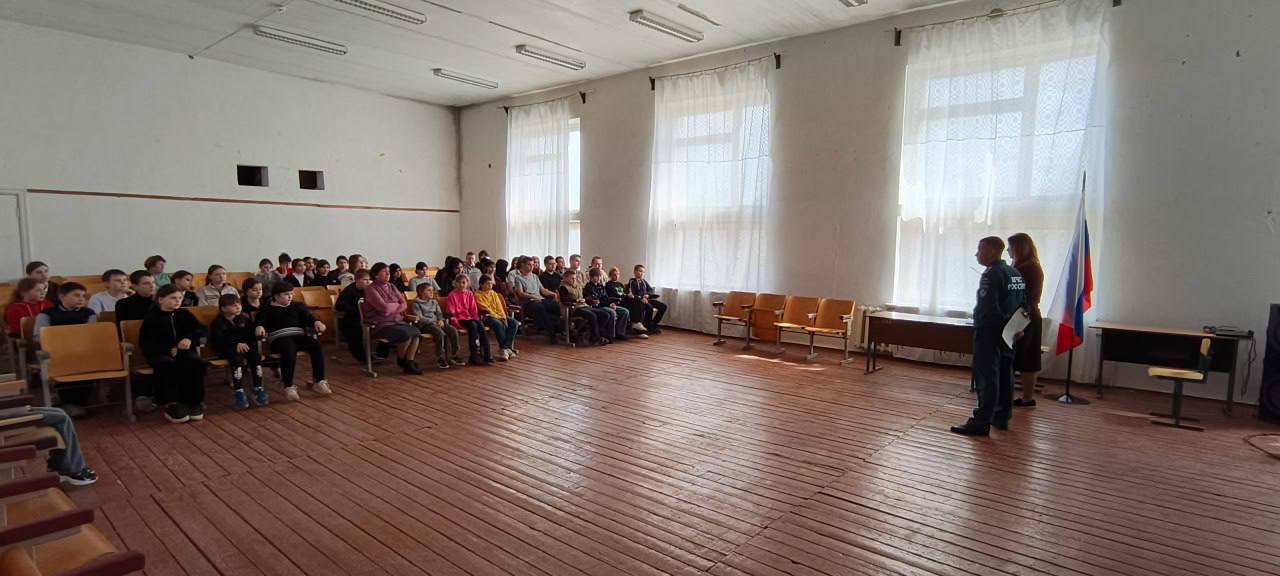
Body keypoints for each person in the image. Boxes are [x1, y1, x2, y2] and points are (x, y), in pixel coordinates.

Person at [951, 236, 1026, 437]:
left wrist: (1002, 327)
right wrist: (1016, 328)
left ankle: (981, 421)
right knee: (1005, 375)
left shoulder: (992, 274)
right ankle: (1001, 417)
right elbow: (1023, 304)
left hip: (990, 334)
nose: (977, 254)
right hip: (1009, 334)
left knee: (987, 378)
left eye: (980, 249)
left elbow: (990, 308)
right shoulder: (1015, 272)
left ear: (992, 251)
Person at [141, 284, 207, 423]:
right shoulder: (152, 317)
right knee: (167, 364)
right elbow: (147, 342)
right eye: (173, 298)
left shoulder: (184, 314)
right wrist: (168, 349)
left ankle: (194, 401)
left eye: (179, 298)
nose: (177, 301)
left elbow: (201, 329)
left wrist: (189, 339)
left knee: (194, 362)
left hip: (183, 351)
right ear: (161, 300)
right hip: (160, 353)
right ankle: (171, 403)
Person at [255, 282, 330, 400]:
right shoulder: (267, 308)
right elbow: (260, 322)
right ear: (276, 296)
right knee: (289, 349)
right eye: (286, 294)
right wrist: (259, 327)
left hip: (298, 336)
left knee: (316, 345)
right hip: (279, 338)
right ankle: (288, 386)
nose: (290, 296)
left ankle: (319, 381)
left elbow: (308, 318)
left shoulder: (297, 306)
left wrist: (316, 322)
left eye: (291, 294)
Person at [0, 403, 96, 485]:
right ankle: (74, 471)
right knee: (62, 418)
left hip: (6, 409)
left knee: (60, 411)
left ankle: (60, 466)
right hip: (4, 415)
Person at [362, 263, 424, 374]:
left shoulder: (391, 286)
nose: (388, 274)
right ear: (376, 275)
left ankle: (409, 361)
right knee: (405, 335)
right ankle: (402, 359)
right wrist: (397, 305)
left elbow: (404, 303)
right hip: (381, 325)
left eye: (388, 272)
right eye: (384, 272)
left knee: (416, 333)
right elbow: (384, 308)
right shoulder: (371, 289)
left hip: (396, 321)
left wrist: (393, 307)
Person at [210, 294, 267, 409]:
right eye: (233, 305)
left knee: (255, 356)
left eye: (239, 304)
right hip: (227, 349)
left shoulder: (244, 319)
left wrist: (257, 331)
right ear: (223, 308)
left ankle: (258, 388)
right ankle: (239, 390)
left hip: (244, 347)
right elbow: (219, 340)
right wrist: (235, 344)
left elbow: (250, 335)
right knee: (237, 360)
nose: (238, 307)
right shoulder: (217, 322)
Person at [1008, 233, 1045, 408]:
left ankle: (1026, 397)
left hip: (1023, 316)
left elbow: (1016, 295)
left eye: (1010, 247)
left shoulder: (1025, 269)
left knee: (1025, 359)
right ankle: (1027, 397)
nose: (1008, 251)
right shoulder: (1031, 266)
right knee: (1027, 358)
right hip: (1029, 315)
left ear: (1018, 248)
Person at [511, 256, 561, 342]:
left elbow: (543, 290)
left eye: (532, 265)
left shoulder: (535, 276)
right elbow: (521, 293)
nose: (531, 267)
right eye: (529, 265)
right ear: (523, 265)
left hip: (540, 299)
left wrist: (554, 294)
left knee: (555, 306)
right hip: (528, 302)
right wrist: (533, 297)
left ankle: (559, 329)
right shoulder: (518, 278)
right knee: (540, 308)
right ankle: (551, 333)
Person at [412, 283, 461, 368]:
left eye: (432, 290)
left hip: (437, 322)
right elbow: (420, 318)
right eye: (429, 290)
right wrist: (433, 321)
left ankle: (454, 354)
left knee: (452, 330)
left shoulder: (434, 302)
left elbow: (439, 314)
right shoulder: (416, 303)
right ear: (421, 292)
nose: (432, 292)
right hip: (425, 325)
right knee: (440, 333)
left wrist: (441, 320)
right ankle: (440, 357)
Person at [447, 275, 491, 365]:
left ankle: (487, 353)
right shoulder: (452, 295)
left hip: (469, 318)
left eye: (464, 282)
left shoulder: (470, 294)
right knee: (473, 326)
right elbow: (451, 312)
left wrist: (476, 319)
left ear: (467, 284)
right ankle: (474, 355)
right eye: (459, 282)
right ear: (455, 284)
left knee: (480, 324)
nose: (461, 285)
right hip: (459, 319)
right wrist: (456, 323)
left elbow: (473, 309)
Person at [559, 270, 611, 345]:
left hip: (584, 306)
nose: (574, 280)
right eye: (572, 278)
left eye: (575, 278)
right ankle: (595, 338)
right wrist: (576, 300)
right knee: (592, 315)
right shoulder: (563, 287)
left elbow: (584, 298)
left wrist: (592, 301)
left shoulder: (578, 286)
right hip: (574, 308)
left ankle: (597, 334)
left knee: (605, 314)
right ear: (565, 278)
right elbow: (563, 299)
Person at [474, 275, 519, 360]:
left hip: (498, 316)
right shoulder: (477, 295)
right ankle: (506, 349)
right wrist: (499, 318)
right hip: (487, 317)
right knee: (497, 323)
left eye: (491, 283)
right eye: (487, 284)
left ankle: (505, 348)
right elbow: (485, 309)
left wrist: (503, 317)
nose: (490, 285)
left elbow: (500, 307)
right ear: (481, 284)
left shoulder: (493, 293)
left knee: (514, 322)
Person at [584, 267, 637, 341]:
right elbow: (595, 300)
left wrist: (611, 303)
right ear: (591, 277)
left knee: (625, 311)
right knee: (612, 313)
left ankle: (620, 333)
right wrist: (608, 305)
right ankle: (610, 335)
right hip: (599, 306)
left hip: (606, 304)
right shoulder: (588, 287)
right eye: (597, 276)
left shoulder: (601, 286)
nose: (599, 278)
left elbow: (606, 297)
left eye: (600, 276)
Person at [335, 269, 371, 362]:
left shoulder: (368, 290)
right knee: (355, 329)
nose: (368, 282)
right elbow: (339, 306)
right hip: (350, 318)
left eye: (369, 280)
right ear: (357, 280)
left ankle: (377, 353)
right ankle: (361, 356)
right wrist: (357, 310)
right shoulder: (348, 291)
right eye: (365, 280)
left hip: (365, 316)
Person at [628, 265, 666, 334]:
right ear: (635, 272)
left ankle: (653, 324)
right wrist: (642, 298)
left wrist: (647, 295)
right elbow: (632, 294)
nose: (642, 273)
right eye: (640, 271)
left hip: (647, 299)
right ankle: (648, 326)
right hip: (639, 301)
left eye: (643, 272)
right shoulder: (632, 281)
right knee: (649, 307)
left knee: (663, 306)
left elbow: (651, 290)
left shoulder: (644, 281)